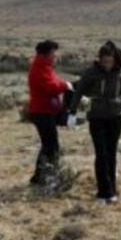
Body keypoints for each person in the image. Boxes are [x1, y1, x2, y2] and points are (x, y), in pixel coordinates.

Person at [69, 41, 121, 204]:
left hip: (115, 117)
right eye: (104, 61)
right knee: (101, 154)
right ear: (100, 59)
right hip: (96, 117)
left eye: (109, 61)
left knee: (111, 154)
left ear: (115, 59)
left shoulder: (120, 73)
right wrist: (72, 113)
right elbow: (78, 92)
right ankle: (103, 193)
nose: (107, 64)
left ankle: (112, 190)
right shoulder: (91, 73)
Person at [27, 40, 71, 184]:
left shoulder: (45, 67)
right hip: (42, 112)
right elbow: (51, 87)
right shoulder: (39, 68)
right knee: (51, 145)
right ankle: (43, 176)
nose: (55, 57)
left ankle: (40, 176)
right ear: (45, 55)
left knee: (49, 144)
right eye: (53, 54)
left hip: (46, 111)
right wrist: (66, 85)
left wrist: (64, 85)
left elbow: (55, 83)